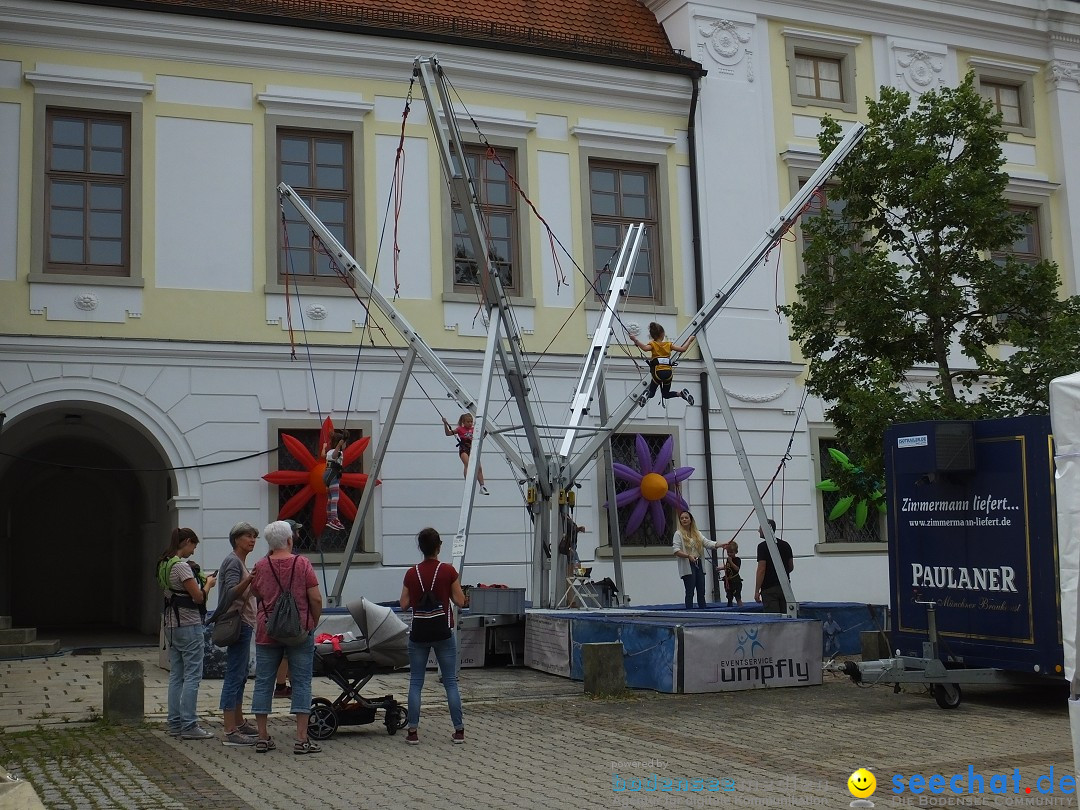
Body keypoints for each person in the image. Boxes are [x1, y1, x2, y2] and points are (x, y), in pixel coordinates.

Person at [250, 520, 323, 755]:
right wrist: (312, 621)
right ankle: (302, 739)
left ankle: (262, 736)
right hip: (299, 629)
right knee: (301, 682)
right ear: (290, 540)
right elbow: (316, 598)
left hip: (267, 629)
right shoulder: (303, 564)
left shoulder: (261, 566)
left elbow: (256, 592)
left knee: (264, 682)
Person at [399, 527, 468, 745]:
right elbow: (460, 601)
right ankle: (458, 730)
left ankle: (412, 732)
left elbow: (403, 604)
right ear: (439, 546)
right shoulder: (448, 571)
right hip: (443, 630)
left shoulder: (412, 573)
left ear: (420, 548)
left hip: (419, 633)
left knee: (416, 682)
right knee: (450, 682)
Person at [157, 527, 216, 740]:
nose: (193, 551)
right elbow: (198, 597)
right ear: (187, 541)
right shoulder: (181, 567)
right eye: (194, 546)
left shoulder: (164, 563)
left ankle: (174, 723)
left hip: (171, 625)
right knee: (192, 676)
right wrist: (208, 584)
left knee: (176, 676)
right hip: (188, 625)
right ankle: (189, 725)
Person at [216, 521, 259, 745]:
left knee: (241, 674)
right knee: (234, 675)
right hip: (238, 623)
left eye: (254, 536)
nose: (252, 540)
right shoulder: (233, 562)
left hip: (245, 622)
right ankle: (230, 730)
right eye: (248, 536)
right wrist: (251, 579)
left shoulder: (240, 561)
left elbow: (245, 593)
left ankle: (239, 721)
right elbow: (231, 593)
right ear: (236, 539)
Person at [628, 322, 696, 407]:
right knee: (666, 394)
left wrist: (635, 340)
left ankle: (647, 394)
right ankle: (681, 394)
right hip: (668, 373)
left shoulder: (653, 344)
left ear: (652, 336)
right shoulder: (668, 345)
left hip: (658, 373)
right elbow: (683, 349)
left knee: (652, 393)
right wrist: (689, 340)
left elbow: (645, 348)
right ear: (662, 334)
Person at [274, 519, 302, 700]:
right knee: (285, 653)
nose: (298, 534)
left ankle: (290, 685)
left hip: (277, 611)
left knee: (287, 653)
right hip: (287, 611)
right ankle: (281, 686)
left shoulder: (270, 557)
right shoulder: (294, 558)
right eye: (295, 531)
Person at [672, 510, 720, 609]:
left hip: (699, 563)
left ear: (691, 520)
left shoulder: (697, 533)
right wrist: (688, 556)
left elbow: (707, 543)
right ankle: (689, 612)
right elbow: (676, 550)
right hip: (688, 565)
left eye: (686, 518)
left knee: (701, 590)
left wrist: (720, 544)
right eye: (682, 518)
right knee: (690, 591)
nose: (684, 520)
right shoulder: (678, 534)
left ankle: (703, 611)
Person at [442, 413, 489, 495]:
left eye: (471, 422)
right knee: (468, 464)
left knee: (479, 468)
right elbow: (448, 433)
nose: (470, 423)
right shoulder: (460, 429)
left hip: (473, 449)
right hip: (464, 449)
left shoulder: (474, 429)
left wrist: (485, 433)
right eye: (468, 422)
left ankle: (482, 486)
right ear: (463, 422)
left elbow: (480, 439)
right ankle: (468, 483)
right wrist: (445, 424)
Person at [755, 518, 794, 614]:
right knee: (786, 616)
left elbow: (761, 569)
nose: (758, 530)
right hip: (785, 588)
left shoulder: (762, 547)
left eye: (760, 528)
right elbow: (791, 566)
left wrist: (757, 590)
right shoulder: (786, 545)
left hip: (769, 589)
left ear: (766, 529)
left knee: (773, 619)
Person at [323, 429, 348, 531]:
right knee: (335, 498)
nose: (345, 445)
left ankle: (329, 519)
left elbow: (322, 456)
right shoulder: (338, 452)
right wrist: (339, 446)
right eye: (345, 443)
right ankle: (334, 518)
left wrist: (324, 447)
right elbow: (334, 456)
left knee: (330, 499)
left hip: (326, 475)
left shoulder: (329, 451)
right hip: (333, 475)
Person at [722, 540, 743, 608]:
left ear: (735, 552)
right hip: (729, 581)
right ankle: (729, 607)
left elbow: (737, 569)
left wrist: (731, 562)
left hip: (735, 581)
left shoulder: (737, 559)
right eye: (728, 552)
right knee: (729, 596)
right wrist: (720, 568)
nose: (729, 554)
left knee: (737, 596)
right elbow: (727, 567)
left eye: (731, 552)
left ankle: (740, 608)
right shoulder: (728, 559)